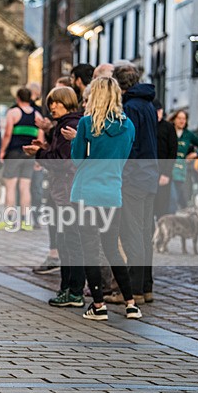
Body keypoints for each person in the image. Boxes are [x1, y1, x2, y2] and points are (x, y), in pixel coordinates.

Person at [64, 76, 140, 320]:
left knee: (90, 249)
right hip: (112, 193)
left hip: (86, 192)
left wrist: (76, 139)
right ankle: (131, 303)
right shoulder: (129, 126)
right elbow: (124, 159)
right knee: (112, 249)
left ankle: (98, 305)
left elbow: (77, 159)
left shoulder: (87, 123)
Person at [23, 86, 85, 307]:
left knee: (71, 242)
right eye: (51, 103)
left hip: (68, 191)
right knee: (65, 240)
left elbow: (63, 162)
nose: (52, 107)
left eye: (57, 102)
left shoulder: (69, 126)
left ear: (68, 103)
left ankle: (74, 291)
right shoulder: (65, 125)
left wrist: (40, 153)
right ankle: (67, 289)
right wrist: (45, 148)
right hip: (64, 190)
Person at [109, 64, 158, 307]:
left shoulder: (129, 107)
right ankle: (146, 287)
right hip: (149, 175)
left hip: (134, 178)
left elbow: (130, 146)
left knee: (132, 233)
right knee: (145, 233)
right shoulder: (148, 104)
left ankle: (134, 290)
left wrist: (123, 174)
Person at [0, 87, 44, 231]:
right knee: (25, 188)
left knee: (10, 187)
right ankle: (25, 221)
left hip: (14, 153)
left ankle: (9, 220)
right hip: (29, 155)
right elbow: (40, 138)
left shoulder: (13, 112)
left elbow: (7, 134)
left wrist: (2, 151)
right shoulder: (37, 115)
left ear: (18, 98)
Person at [169, 110, 198, 213]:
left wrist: (196, 154)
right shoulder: (169, 131)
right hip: (168, 167)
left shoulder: (188, 134)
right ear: (174, 119)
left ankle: (173, 216)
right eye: (179, 118)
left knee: (177, 195)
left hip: (181, 169)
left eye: (184, 119)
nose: (182, 121)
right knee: (171, 197)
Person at [154, 99, 177, 220]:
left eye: (159, 111)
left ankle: (162, 229)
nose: (158, 113)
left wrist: (167, 173)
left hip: (164, 171)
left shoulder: (168, 127)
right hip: (150, 171)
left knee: (163, 206)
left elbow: (173, 151)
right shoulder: (148, 127)